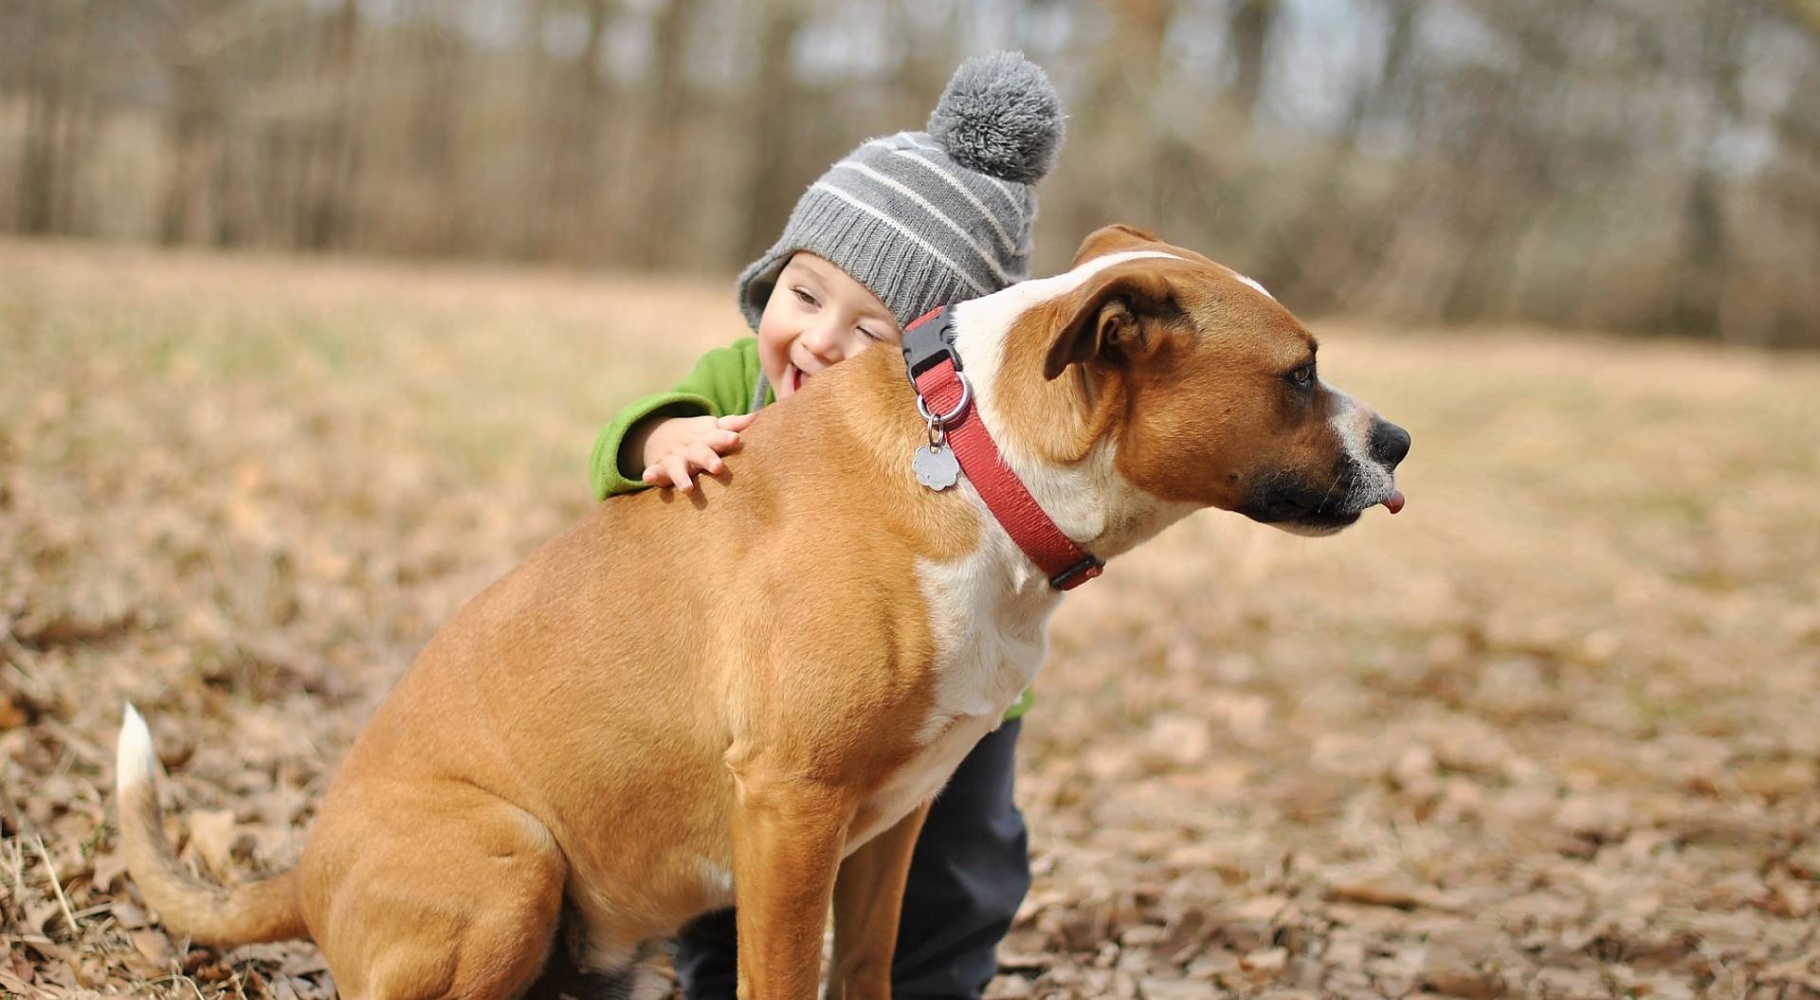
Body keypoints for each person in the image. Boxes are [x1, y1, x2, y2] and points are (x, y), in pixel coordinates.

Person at [586, 52, 1065, 1000]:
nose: (819, 339)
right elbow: (615, 448)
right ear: (773, 279)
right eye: (805, 295)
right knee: (751, 863)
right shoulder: (739, 385)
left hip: (947, 693)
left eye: (874, 331)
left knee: (959, 871)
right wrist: (660, 437)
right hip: (758, 696)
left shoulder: (952, 442)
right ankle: (724, 980)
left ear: (934, 362)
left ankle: (930, 985)